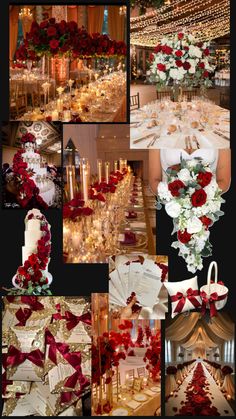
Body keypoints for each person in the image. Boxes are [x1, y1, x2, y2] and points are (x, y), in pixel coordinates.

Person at [149, 149, 231, 196]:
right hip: (170, 207)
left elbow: (223, 181)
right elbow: (154, 181)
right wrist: (176, 200)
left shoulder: (221, 132)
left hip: (206, 208)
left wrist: (203, 198)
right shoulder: (157, 134)